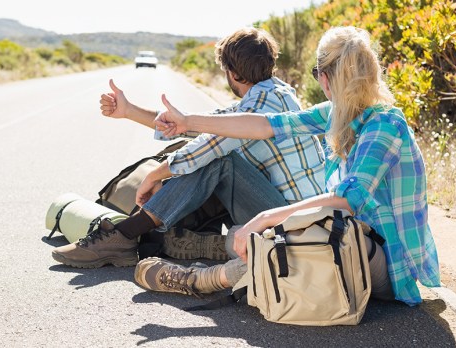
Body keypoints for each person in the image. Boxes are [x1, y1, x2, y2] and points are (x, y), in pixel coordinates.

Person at [149, 26, 440, 306]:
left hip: (388, 264)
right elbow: (267, 125)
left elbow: (346, 200)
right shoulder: (340, 113)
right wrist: (188, 121)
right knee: (281, 233)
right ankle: (218, 255)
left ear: (326, 78)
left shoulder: (384, 125)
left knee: (304, 240)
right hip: (356, 239)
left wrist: (266, 216)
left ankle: (202, 280)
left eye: (317, 73)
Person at [52, 28, 325, 290]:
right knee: (209, 155)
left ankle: (123, 235)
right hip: (298, 216)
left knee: (220, 161)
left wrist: (155, 175)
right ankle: (141, 235)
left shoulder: (260, 104)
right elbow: (200, 126)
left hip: (292, 225)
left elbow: (209, 146)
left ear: (232, 72)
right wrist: (129, 111)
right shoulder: (277, 93)